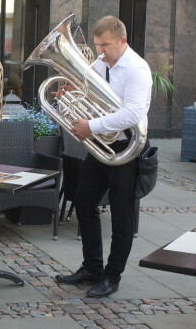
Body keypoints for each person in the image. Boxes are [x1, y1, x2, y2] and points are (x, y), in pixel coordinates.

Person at [54, 16, 152, 298]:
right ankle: (92, 268)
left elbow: (132, 114)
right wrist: (69, 94)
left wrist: (91, 126)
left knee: (122, 216)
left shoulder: (137, 69)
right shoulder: (100, 64)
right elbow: (90, 95)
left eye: (105, 45)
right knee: (84, 203)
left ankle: (112, 276)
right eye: (97, 45)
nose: (100, 51)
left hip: (128, 148)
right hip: (102, 146)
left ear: (122, 41)